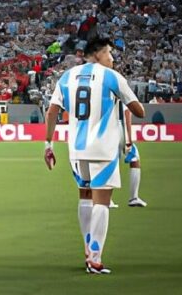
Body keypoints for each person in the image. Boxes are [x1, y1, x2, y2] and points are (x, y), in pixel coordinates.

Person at [44, 38, 145, 275]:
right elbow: (139, 111)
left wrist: (48, 144)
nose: (112, 58)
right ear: (98, 54)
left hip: (76, 150)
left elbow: (52, 112)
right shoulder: (112, 77)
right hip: (103, 149)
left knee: (85, 197)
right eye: (109, 53)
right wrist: (121, 96)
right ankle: (96, 257)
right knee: (101, 201)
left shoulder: (67, 77)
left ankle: (87, 249)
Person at [111, 106, 146, 208]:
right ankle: (133, 197)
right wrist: (129, 138)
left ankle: (107, 199)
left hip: (107, 131)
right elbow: (127, 116)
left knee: (110, 163)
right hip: (119, 130)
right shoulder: (122, 94)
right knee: (134, 158)